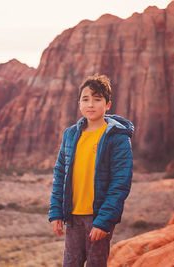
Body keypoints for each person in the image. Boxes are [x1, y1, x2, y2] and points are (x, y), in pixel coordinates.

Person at [48, 74, 134, 267]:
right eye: (86, 99)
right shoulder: (70, 135)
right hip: (73, 216)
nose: (91, 104)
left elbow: (120, 183)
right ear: (79, 104)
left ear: (108, 104)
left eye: (97, 99)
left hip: (98, 217)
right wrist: (55, 212)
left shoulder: (117, 138)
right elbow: (60, 175)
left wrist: (104, 221)